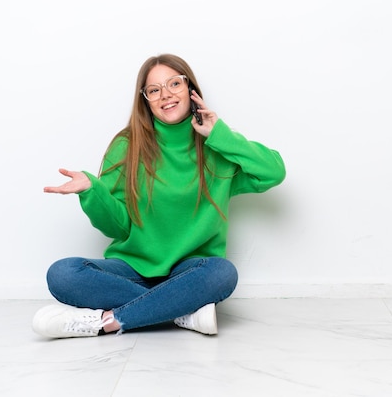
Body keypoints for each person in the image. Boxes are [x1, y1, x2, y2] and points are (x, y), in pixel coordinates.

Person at [32, 54, 286, 338]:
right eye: (154, 90)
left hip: (190, 271)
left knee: (222, 273)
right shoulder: (127, 144)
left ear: (191, 89)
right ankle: (181, 310)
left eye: (174, 84)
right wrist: (92, 191)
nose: (166, 95)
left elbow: (273, 173)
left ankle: (107, 322)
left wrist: (220, 134)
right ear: (146, 100)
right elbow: (117, 227)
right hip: (132, 268)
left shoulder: (217, 147)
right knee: (63, 273)